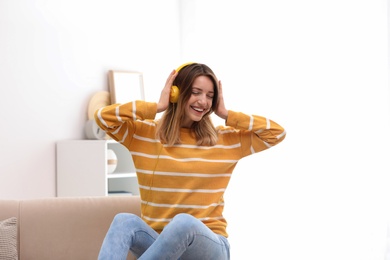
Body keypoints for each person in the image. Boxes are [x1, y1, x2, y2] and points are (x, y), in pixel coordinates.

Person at [95, 62, 286, 260]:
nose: (203, 101)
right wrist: (157, 106)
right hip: (158, 247)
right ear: (176, 93)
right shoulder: (143, 134)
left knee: (183, 223)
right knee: (123, 221)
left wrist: (227, 114)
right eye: (196, 92)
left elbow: (276, 133)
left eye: (210, 96)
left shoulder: (225, 140)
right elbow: (102, 118)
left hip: (210, 248)